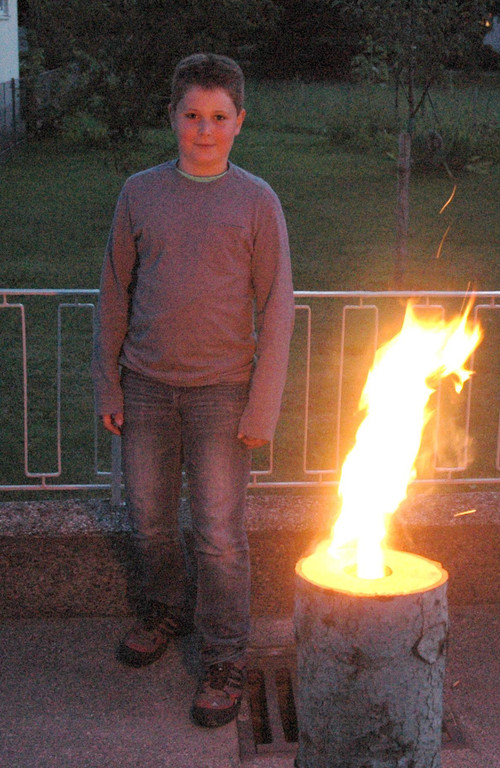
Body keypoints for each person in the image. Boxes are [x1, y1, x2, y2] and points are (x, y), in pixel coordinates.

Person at [91, 53, 295, 728]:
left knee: (219, 535)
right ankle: (165, 610)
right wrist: (109, 383)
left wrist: (263, 405)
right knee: (149, 519)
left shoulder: (256, 201)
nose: (204, 130)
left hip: (223, 394)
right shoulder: (139, 192)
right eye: (192, 116)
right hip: (146, 387)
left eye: (218, 117)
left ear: (239, 122)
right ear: (173, 118)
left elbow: (278, 305)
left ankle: (226, 656)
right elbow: (113, 292)